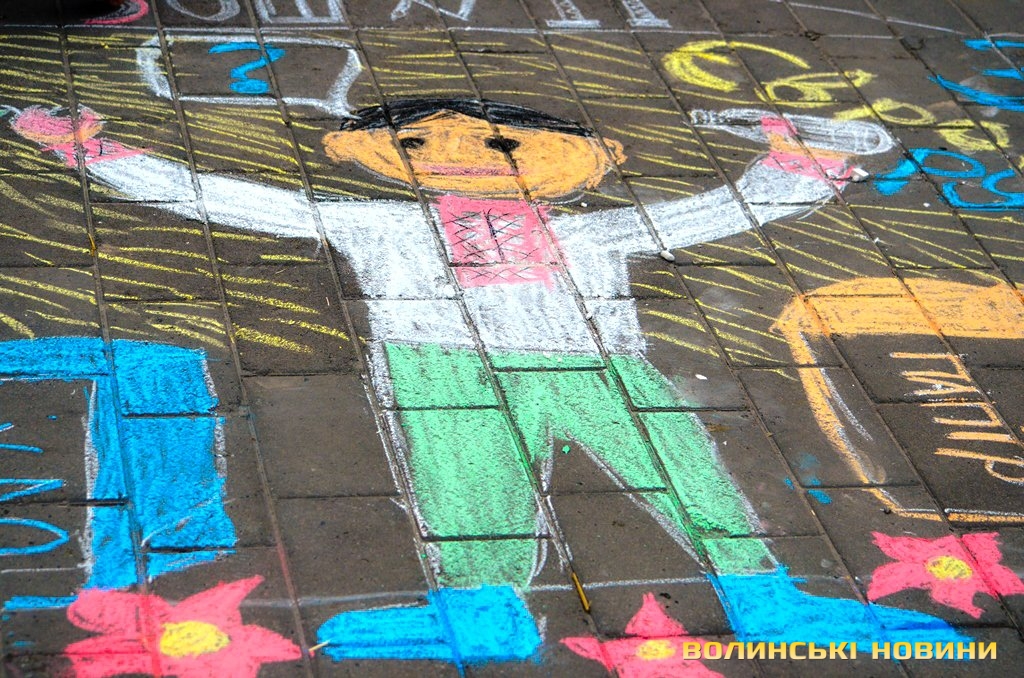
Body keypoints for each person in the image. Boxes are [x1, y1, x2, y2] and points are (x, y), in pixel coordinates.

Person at [7, 99, 966, 665]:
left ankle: (770, 601)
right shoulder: (382, 224)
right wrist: (100, 152)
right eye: (420, 145)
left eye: (503, 145)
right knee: (470, 495)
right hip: (442, 364)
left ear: (589, 162)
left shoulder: (594, 229)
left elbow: (714, 213)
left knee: (687, 471)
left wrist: (796, 168)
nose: (463, 155)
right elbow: (242, 200)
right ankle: (483, 616)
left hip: (597, 363)